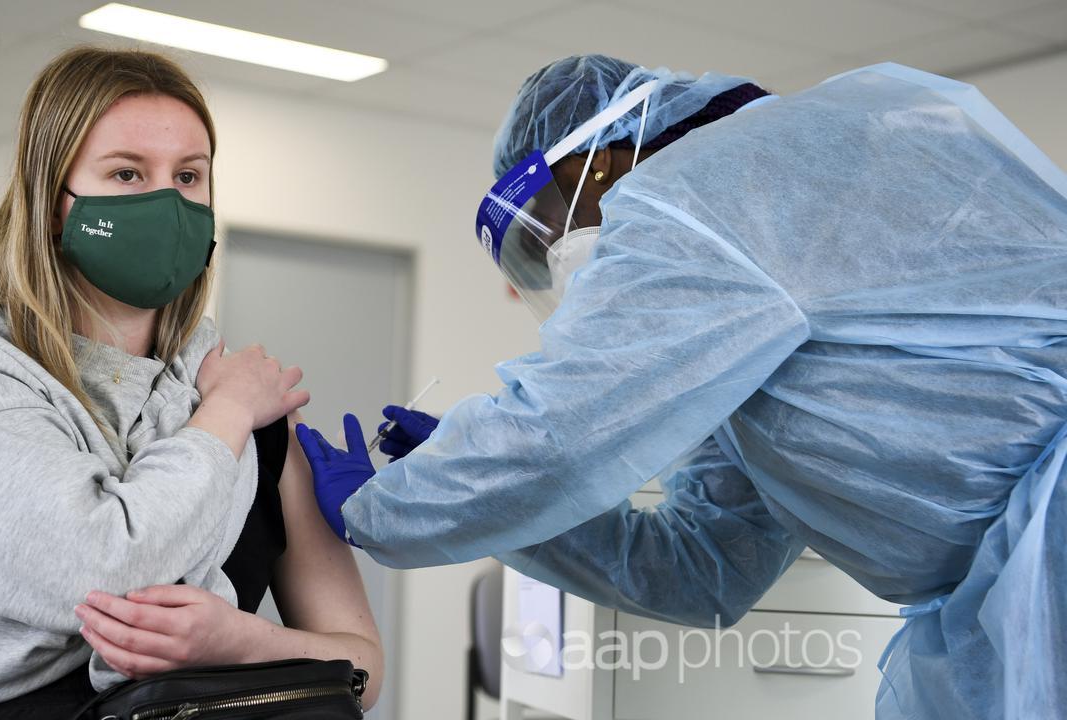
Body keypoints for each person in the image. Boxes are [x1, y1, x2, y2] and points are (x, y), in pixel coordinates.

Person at [295, 55, 1067, 719]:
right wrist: (506, 510)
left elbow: (558, 443)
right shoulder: (743, 304)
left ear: (591, 162)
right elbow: (710, 564)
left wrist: (385, 507)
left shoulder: (706, 192)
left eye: (548, 226)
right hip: (1006, 585)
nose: (561, 256)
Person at [0, 46, 381, 718]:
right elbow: (94, 573)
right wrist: (225, 413)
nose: (166, 204)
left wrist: (243, 641)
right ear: (54, 202)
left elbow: (363, 672)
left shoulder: (249, 402)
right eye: (126, 174)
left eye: (188, 176)